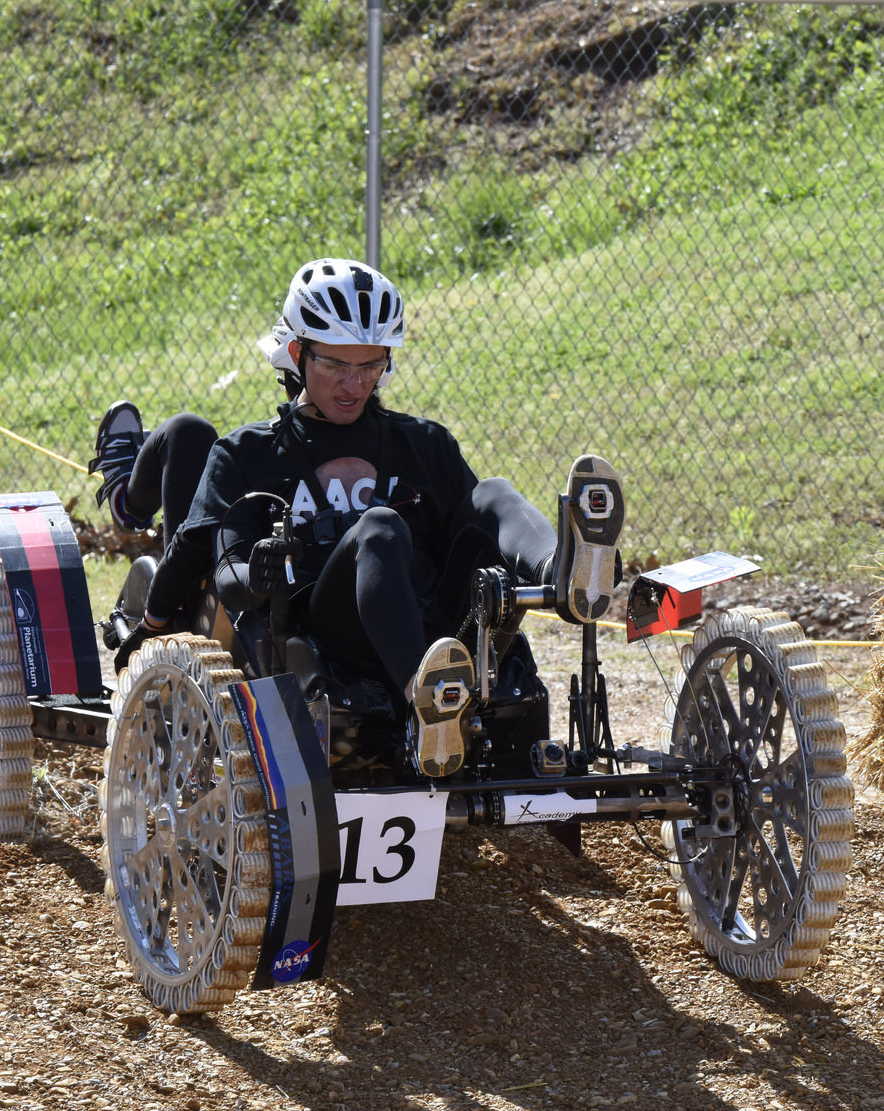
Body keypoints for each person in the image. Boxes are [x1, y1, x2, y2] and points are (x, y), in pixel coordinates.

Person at [98, 257, 624, 780]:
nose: (354, 386)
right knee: (380, 529)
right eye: (334, 366)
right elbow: (220, 561)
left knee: (492, 494)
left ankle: (566, 570)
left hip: (442, 628)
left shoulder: (422, 442)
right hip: (332, 638)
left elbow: (479, 528)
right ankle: (427, 702)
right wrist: (222, 593)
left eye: (370, 366)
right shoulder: (248, 455)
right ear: (297, 353)